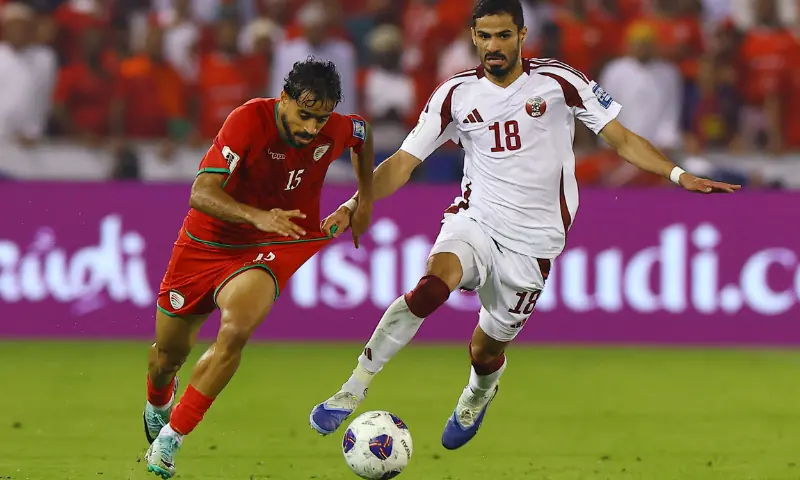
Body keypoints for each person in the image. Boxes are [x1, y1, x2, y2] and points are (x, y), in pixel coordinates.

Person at [309, 0, 739, 451]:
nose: (493, 46)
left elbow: (622, 139)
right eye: (485, 37)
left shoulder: (560, 81)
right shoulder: (454, 94)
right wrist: (356, 203)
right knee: (431, 287)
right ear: (473, 38)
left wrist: (678, 175)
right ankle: (351, 389)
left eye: (503, 36)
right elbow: (402, 163)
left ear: (521, 35)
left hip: (534, 244)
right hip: (475, 219)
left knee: (486, 351)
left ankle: (478, 393)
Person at [142, 58, 374, 479]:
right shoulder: (247, 119)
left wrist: (363, 201)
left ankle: (171, 439)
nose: (310, 128)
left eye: (320, 118)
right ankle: (159, 400)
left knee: (235, 331)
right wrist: (255, 216)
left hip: (274, 243)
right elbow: (201, 192)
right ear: (283, 99)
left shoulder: (337, 127)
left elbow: (362, 135)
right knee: (166, 357)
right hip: (207, 243)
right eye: (304, 115)